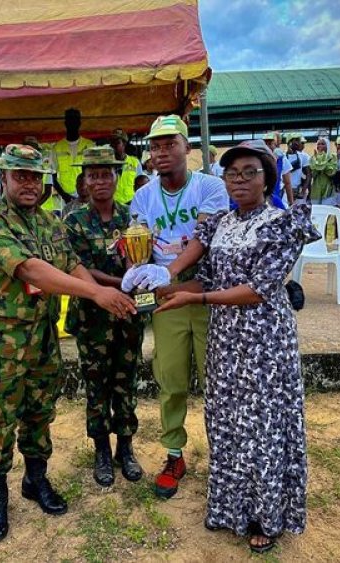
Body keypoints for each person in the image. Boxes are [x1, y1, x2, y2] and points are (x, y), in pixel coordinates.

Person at [125, 139, 318, 553]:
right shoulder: (223, 224)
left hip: (263, 341)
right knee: (228, 422)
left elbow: (258, 290)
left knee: (262, 426)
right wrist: (171, 288)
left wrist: (195, 299)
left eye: (250, 172)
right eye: (232, 173)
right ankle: (231, 508)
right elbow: (209, 278)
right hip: (227, 341)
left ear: (267, 179)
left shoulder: (281, 223)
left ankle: (266, 516)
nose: (240, 180)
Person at [0, 144, 136, 542]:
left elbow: (69, 263)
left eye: (33, 176)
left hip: (42, 337)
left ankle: (35, 480)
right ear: (4, 179)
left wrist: (104, 296)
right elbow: (31, 269)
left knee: (40, 413)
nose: (28, 183)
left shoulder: (49, 222)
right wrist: (96, 295)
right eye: (19, 176)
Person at [123, 115, 228, 500]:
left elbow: (203, 238)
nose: (162, 152)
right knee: (170, 381)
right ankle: (173, 454)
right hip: (166, 302)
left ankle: (226, 461)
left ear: (188, 148)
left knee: (217, 383)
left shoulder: (210, 187)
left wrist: (169, 272)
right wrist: (136, 274)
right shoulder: (143, 196)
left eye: (170, 144)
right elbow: (139, 245)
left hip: (205, 295)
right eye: (155, 146)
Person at [64, 146, 146, 487]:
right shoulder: (74, 221)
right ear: (84, 181)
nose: (99, 181)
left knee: (125, 382)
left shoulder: (133, 218)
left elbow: (144, 259)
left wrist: (137, 277)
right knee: (96, 385)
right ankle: (101, 449)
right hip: (92, 318)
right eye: (93, 175)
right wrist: (123, 282)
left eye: (106, 174)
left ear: (117, 177)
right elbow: (81, 269)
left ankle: (125, 448)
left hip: (127, 315)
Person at [51, 108, 95, 205]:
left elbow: (94, 172)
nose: (72, 123)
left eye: (75, 120)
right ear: (65, 123)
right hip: (65, 198)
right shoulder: (57, 147)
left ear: (79, 123)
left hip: (87, 195)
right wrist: (64, 195)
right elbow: (52, 176)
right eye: (70, 120)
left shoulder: (90, 145)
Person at [109, 128, 142, 205]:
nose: (113, 146)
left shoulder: (135, 162)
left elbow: (141, 185)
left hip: (131, 203)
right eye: (112, 143)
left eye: (117, 143)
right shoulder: (107, 164)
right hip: (112, 205)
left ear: (124, 143)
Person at [262, 132, 294, 206]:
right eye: (265, 144)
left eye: (270, 144)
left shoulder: (282, 160)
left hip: (275, 200)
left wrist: (291, 203)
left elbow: (288, 183)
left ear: (275, 145)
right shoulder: (257, 160)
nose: (267, 146)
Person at [309, 137, 338, 205]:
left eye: (323, 144)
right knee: (316, 212)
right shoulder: (313, 158)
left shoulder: (332, 157)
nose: (320, 146)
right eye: (318, 144)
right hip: (316, 189)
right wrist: (318, 161)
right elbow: (313, 174)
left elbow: (331, 172)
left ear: (327, 145)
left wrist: (321, 162)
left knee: (327, 211)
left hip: (328, 190)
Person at [286, 133, 311, 204]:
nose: (299, 143)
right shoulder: (283, 157)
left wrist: (303, 192)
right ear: (290, 142)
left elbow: (308, 175)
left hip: (298, 192)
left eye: (299, 140)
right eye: (296, 140)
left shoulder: (303, 156)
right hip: (285, 192)